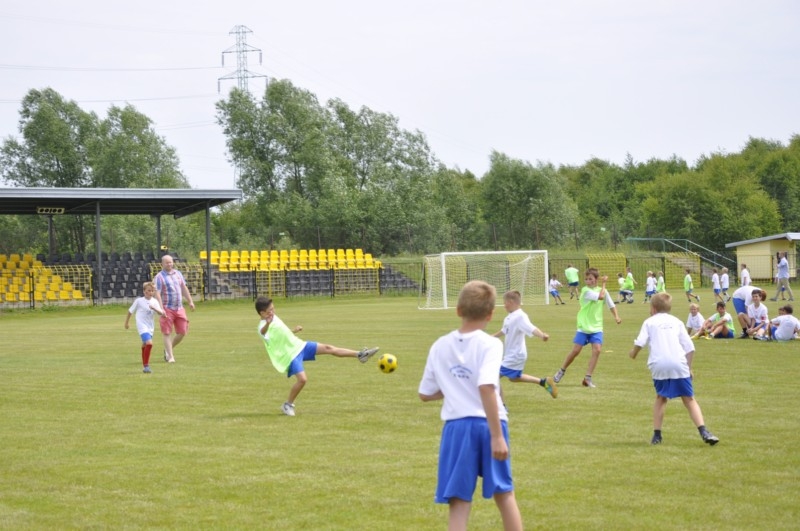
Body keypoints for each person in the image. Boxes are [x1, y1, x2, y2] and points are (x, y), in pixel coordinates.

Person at [418, 280, 524, 531]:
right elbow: (486, 386)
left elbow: (425, 393)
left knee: (458, 501)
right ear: (491, 314)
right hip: (490, 425)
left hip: (457, 428)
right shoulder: (491, 344)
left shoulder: (440, 345)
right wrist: (497, 436)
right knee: (504, 494)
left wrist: (453, 387)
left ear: (458, 310)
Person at [255, 296, 379, 416]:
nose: (273, 312)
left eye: (273, 308)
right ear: (262, 313)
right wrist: (268, 324)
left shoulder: (273, 317)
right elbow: (263, 332)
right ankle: (288, 405)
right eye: (269, 310)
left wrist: (294, 330)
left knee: (329, 348)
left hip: (300, 345)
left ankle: (360, 355)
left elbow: (281, 333)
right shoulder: (262, 326)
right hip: (290, 356)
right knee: (302, 380)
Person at [629, 292, 720, 446]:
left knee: (661, 398)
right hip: (678, 362)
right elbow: (690, 347)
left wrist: (633, 353)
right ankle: (704, 431)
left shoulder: (649, 322)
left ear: (653, 308)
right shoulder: (677, 321)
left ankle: (657, 435)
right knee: (689, 399)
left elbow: (640, 342)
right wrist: (689, 368)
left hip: (659, 364)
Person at [554, 268, 622, 388]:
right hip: (584, 327)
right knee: (576, 351)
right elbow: (601, 297)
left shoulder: (603, 291)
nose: (587, 281)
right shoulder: (585, 291)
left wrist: (616, 316)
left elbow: (611, 305)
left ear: (596, 279)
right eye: (586, 279)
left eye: (590, 279)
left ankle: (587, 378)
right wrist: (604, 284)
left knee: (597, 350)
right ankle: (562, 370)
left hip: (597, 327)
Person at [493, 290, 557, 399]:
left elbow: (531, 328)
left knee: (492, 376)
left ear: (511, 302)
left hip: (516, 355)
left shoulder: (520, 316)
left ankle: (501, 405)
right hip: (512, 355)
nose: (504, 305)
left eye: (505, 303)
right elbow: (504, 331)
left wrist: (542, 335)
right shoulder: (509, 317)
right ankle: (543, 382)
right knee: (514, 378)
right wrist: (490, 337)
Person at [153, 254, 195, 363]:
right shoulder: (159, 277)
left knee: (183, 331)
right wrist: (160, 308)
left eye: (170, 262)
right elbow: (157, 293)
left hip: (179, 308)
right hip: (167, 308)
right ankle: (171, 357)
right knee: (167, 332)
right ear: (162, 264)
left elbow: (183, 288)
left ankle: (168, 349)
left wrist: (190, 301)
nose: (169, 264)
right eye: (167, 262)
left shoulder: (178, 274)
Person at [124, 281, 165, 373]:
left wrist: (154, 308)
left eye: (152, 291)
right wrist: (126, 323)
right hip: (141, 326)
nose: (150, 292)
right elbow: (130, 311)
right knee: (149, 343)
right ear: (144, 291)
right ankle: (146, 366)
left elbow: (161, 313)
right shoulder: (139, 301)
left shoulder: (154, 301)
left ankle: (145, 364)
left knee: (145, 345)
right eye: (148, 290)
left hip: (150, 326)